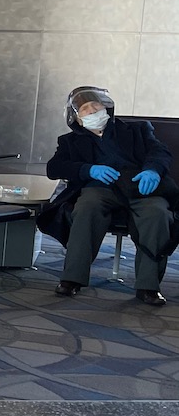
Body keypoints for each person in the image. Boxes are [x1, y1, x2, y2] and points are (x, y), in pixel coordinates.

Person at [41, 86, 179, 306]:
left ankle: (148, 286)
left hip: (139, 187)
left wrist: (152, 170)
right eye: (86, 109)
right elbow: (54, 168)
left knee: (158, 214)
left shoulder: (138, 130)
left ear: (106, 108)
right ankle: (72, 279)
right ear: (76, 118)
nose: (93, 111)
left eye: (96, 106)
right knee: (86, 208)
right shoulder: (69, 141)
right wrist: (87, 169)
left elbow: (159, 152)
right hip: (99, 189)